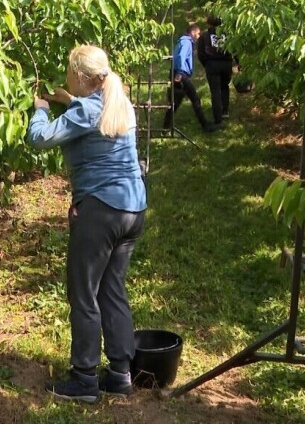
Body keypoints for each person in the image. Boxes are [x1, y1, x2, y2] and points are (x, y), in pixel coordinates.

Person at [28, 45, 148, 403]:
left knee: (83, 293)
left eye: (69, 72)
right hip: (132, 209)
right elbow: (88, 119)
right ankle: (120, 374)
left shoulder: (86, 109)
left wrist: (40, 111)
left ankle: (83, 379)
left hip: (101, 212)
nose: (66, 76)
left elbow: (40, 139)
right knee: (112, 289)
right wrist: (69, 100)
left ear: (81, 77)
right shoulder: (117, 101)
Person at [163, 24, 218, 133]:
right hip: (181, 74)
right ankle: (205, 125)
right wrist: (180, 73)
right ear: (193, 32)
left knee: (175, 102)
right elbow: (180, 57)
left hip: (177, 73)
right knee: (195, 99)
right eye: (198, 34)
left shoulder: (183, 41)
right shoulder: (186, 42)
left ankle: (165, 127)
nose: (198, 37)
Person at [198, 16, 238, 123]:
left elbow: (201, 54)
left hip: (212, 64)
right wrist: (238, 63)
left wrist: (206, 64)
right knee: (225, 87)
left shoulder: (204, 36)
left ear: (209, 24)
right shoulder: (227, 35)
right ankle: (225, 111)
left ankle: (217, 117)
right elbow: (234, 50)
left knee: (215, 91)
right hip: (226, 64)